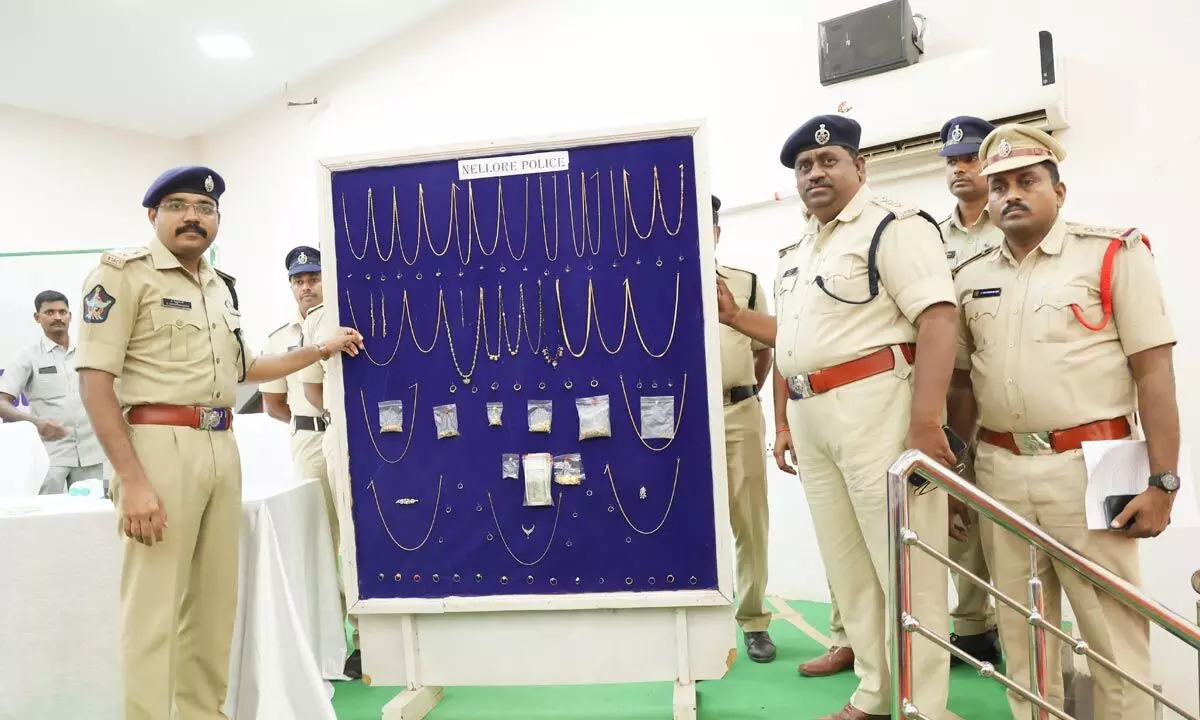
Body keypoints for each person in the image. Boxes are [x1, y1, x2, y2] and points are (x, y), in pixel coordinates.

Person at [74, 165, 364, 720]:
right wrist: (132, 481)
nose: (193, 217)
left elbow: (247, 368)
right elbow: (93, 383)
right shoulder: (122, 276)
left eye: (204, 209)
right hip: (157, 447)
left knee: (212, 609)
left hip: (219, 446)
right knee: (154, 611)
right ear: (153, 215)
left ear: (216, 221)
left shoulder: (217, 284)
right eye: (179, 206)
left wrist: (319, 350)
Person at [716, 114, 958, 720]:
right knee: (850, 570)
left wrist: (926, 422)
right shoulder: (798, 249)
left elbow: (937, 318)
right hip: (813, 415)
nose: (815, 173)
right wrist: (735, 317)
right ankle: (876, 692)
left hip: (877, 406)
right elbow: (797, 339)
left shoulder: (894, 226)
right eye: (804, 167)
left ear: (859, 167)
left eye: (828, 162)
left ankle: (923, 706)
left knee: (905, 566)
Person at [949, 124, 1176, 720]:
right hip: (999, 464)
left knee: (1113, 631)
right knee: (1023, 633)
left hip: (1101, 461)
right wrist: (959, 477)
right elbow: (961, 385)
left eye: (1027, 181)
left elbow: (1154, 374)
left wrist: (1163, 481)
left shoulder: (1112, 252)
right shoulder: (970, 273)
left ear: (1060, 189)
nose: (1010, 195)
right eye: (998, 185)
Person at [936, 115, 1003, 666]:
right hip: (952, 387)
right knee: (960, 506)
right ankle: (971, 623)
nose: (960, 168)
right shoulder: (933, 237)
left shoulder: (1013, 225)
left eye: (970, 158)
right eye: (953, 161)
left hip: (1004, 385)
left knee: (1008, 515)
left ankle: (1011, 621)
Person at [711, 194, 777, 663]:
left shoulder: (745, 284)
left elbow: (764, 348)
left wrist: (745, 393)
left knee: (749, 520)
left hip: (738, 412)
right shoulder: (653, 280)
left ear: (716, 231)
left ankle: (752, 620)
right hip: (675, 419)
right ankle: (691, 620)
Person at [773, 365, 856, 678]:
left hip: (870, 405)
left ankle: (895, 648)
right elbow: (783, 351)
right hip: (810, 414)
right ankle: (845, 639)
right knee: (837, 541)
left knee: (883, 540)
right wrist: (782, 425)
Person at [297, 298, 363, 678]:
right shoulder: (320, 318)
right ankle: (352, 641)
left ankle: (381, 639)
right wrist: (340, 415)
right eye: (299, 280)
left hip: (391, 432)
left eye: (313, 277)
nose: (307, 286)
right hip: (341, 434)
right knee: (341, 542)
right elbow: (311, 388)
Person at [0, 290, 105, 493]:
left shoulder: (89, 352)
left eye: (62, 312)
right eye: (49, 312)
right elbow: (1, 403)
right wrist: (36, 422)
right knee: (46, 519)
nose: (57, 317)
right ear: (37, 317)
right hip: (51, 455)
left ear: (70, 316)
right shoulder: (28, 356)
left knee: (90, 517)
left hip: (92, 453)